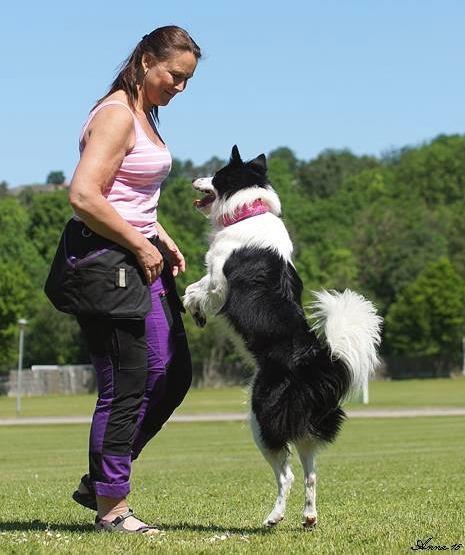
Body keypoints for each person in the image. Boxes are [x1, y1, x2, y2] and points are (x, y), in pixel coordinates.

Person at [67, 26, 201, 533]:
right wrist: (141, 242)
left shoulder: (144, 113)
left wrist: (157, 234)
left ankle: (101, 477)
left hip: (141, 257)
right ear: (147, 61)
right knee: (125, 385)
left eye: (188, 80)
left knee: (173, 373)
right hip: (107, 263)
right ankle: (111, 508)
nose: (179, 88)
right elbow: (84, 194)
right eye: (174, 75)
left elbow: (122, 190)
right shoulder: (117, 115)